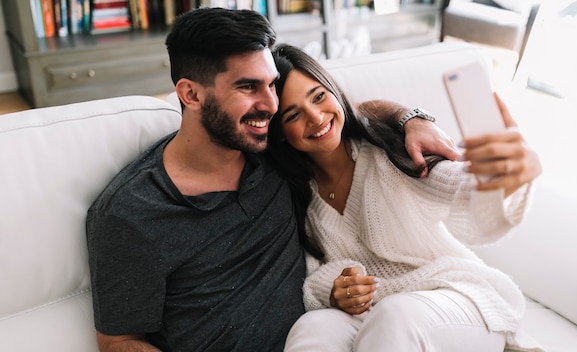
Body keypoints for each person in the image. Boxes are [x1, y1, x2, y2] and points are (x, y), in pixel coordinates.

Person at [85, 7, 458, 352]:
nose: (272, 105)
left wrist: (412, 118)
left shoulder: (272, 148)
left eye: (271, 85)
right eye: (248, 87)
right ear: (190, 94)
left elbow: (343, 110)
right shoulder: (131, 213)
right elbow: (119, 341)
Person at [266, 43, 543, 351]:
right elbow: (313, 273)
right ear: (280, 132)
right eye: (294, 115)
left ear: (333, 90)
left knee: (395, 314)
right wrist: (337, 289)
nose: (316, 117)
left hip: (455, 296)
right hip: (374, 313)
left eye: (318, 96)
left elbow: (461, 189)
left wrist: (508, 178)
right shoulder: (295, 193)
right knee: (312, 327)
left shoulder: (390, 153)